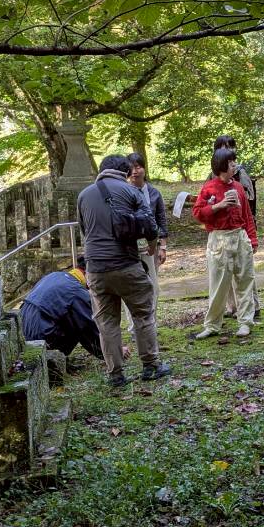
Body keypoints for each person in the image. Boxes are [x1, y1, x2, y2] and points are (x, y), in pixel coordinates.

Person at [77, 154, 172, 390]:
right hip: (126, 265)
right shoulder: (132, 192)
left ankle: (115, 374)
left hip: (96, 268)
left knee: (106, 322)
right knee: (142, 313)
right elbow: (150, 223)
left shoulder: (83, 195)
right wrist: (153, 244)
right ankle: (151, 365)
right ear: (125, 171)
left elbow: (83, 230)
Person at [192, 149, 258, 339]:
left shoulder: (238, 187)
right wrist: (218, 206)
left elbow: (247, 216)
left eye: (234, 162)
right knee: (219, 284)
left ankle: (245, 322)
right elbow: (197, 214)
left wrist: (252, 239)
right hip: (219, 239)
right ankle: (212, 325)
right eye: (231, 163)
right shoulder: (209, 188)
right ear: (222, 166)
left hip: (240, 237)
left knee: (245, 280)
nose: (234, 166)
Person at [212, 136, 260, 321]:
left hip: (240, 228)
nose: (225, 150)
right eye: (221, 147)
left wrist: (251, 232)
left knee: (245, 271)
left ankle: (253, 306)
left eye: (229, 147)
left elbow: (249, 200)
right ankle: (232, 307)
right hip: (221, 232)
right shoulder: (213, 174)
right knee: (224, 271)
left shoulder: (240, 173)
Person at [20, 257, 104, 362]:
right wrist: (110, 352)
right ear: (88, 274)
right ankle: (57, 360)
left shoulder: (54, 275)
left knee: (72, 313)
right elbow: (88, 327)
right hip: (42, 335)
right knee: (79, 319)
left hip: (24, 331)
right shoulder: (76, 290)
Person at [125, 152, 168, 331]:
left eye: (138, 166)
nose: (135, 171)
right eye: (131, 167)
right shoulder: (123, 191)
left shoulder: (153, 193)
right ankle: (133, 326)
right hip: (130, 248)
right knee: (131, 288)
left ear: (144, 168)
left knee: (153, 287)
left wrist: (163, 246)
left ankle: (150, 323)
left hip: (151, 246)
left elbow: (161, 220)